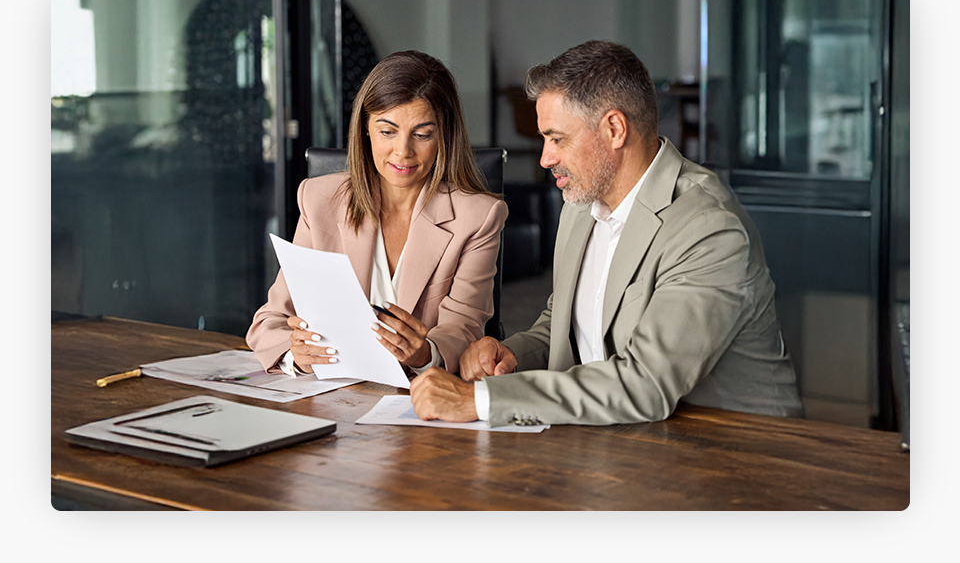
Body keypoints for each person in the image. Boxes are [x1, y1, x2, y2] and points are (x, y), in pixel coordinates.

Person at [409, 40, 803, 427]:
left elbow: (645, 384)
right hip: (625, 441)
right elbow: (564, 324)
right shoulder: (581, 204)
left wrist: (481, 399)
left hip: (736, 455)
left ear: (614, 129)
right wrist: (509, 355)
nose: (546, 158)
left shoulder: (707, 228)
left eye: (557, 138)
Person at [246, 50, 508, 377]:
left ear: (445, 135)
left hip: (418, 397)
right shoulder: (318, 199)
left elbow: (464, 328)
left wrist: (426, 352)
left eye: (423, 134)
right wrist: (295, 354)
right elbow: (269, 323)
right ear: (365, 129)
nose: (403, 151)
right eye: (387, 131)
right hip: (331, 394)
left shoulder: (479, 217)